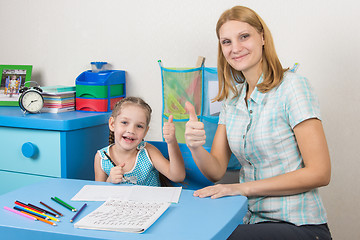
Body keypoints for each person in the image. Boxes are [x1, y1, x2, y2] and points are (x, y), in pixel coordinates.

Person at [184, 6, 332, 239]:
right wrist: (195, 147)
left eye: (244, 36)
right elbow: (215, 170)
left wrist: (240, 188)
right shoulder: (232, 101)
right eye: (226, 42)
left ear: (262, 37)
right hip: (251, 220)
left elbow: (320, 173)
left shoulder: (293, 87)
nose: (235, 48)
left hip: (298, 224)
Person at [94, 96, 185, 186]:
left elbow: (178, 177)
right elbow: (99, 194)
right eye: (124, 122)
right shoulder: (102, 157)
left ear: (145, 131)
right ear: (112, 124)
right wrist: (109, 181)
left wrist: (171, 142)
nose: (131, 130)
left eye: (139, 126)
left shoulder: (148, 151)